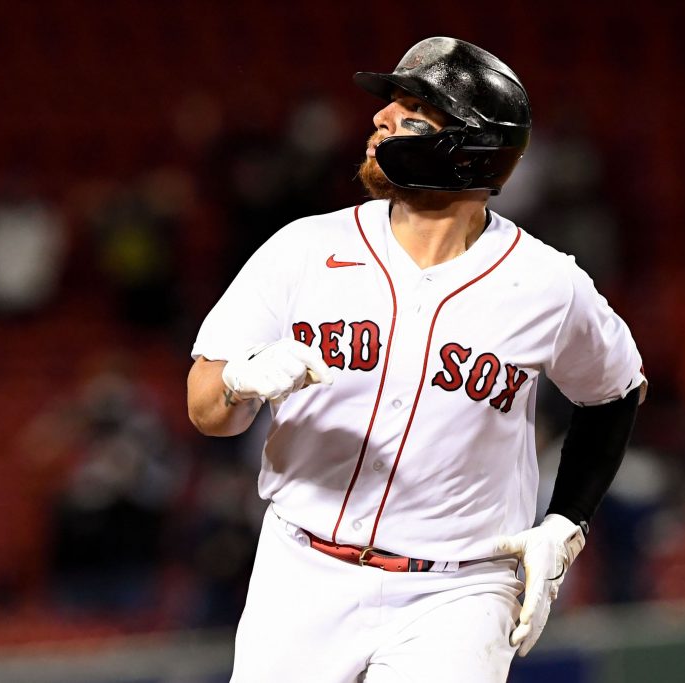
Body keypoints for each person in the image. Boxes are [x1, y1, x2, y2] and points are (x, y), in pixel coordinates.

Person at [187, 37, 646, 682]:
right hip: (302, 572)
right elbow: (206, 408)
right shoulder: (304, 249)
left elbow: (617, 389)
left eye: (411, 115)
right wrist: (238, 383)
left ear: (469, 150)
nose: (379, 120)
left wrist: (566, 521)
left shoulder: (547, 284)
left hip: (458, 591)